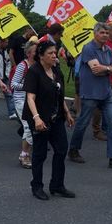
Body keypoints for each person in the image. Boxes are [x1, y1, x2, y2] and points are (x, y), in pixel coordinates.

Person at [67, 22, 112, 170]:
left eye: (107, 33)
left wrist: (106, 68)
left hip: (106, 92)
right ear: (95, 34)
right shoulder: (88, 48)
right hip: (90, 92)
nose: (105, 35)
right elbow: (96, 70)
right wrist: (110, 68)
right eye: (102, 33)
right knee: (83, 122)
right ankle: (73, 150)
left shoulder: (108, 50)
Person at [22, 40, 75, 200]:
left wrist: (66, 112)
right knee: (39, 153)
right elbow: (30, 97)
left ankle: (57, 185)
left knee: (61, 149)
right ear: (41, 56)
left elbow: (59, 94)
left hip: (55, 117)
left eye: (55, 52)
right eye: (50, 53)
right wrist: (37, 118)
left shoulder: (57, 71)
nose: (54, 56)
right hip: (39, 118)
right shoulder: (34, 71)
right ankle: (37, 186)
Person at [11, 39, 37, 169]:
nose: (38, 53)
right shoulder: (23, 65)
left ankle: (26, 153)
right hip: (21, 99)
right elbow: (13, 84)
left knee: (33, 127)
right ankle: (24, 155)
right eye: (35, 51)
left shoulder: (39, 65)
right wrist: (28, 87)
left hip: (34, 100)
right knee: (28, 127)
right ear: (28, 53)